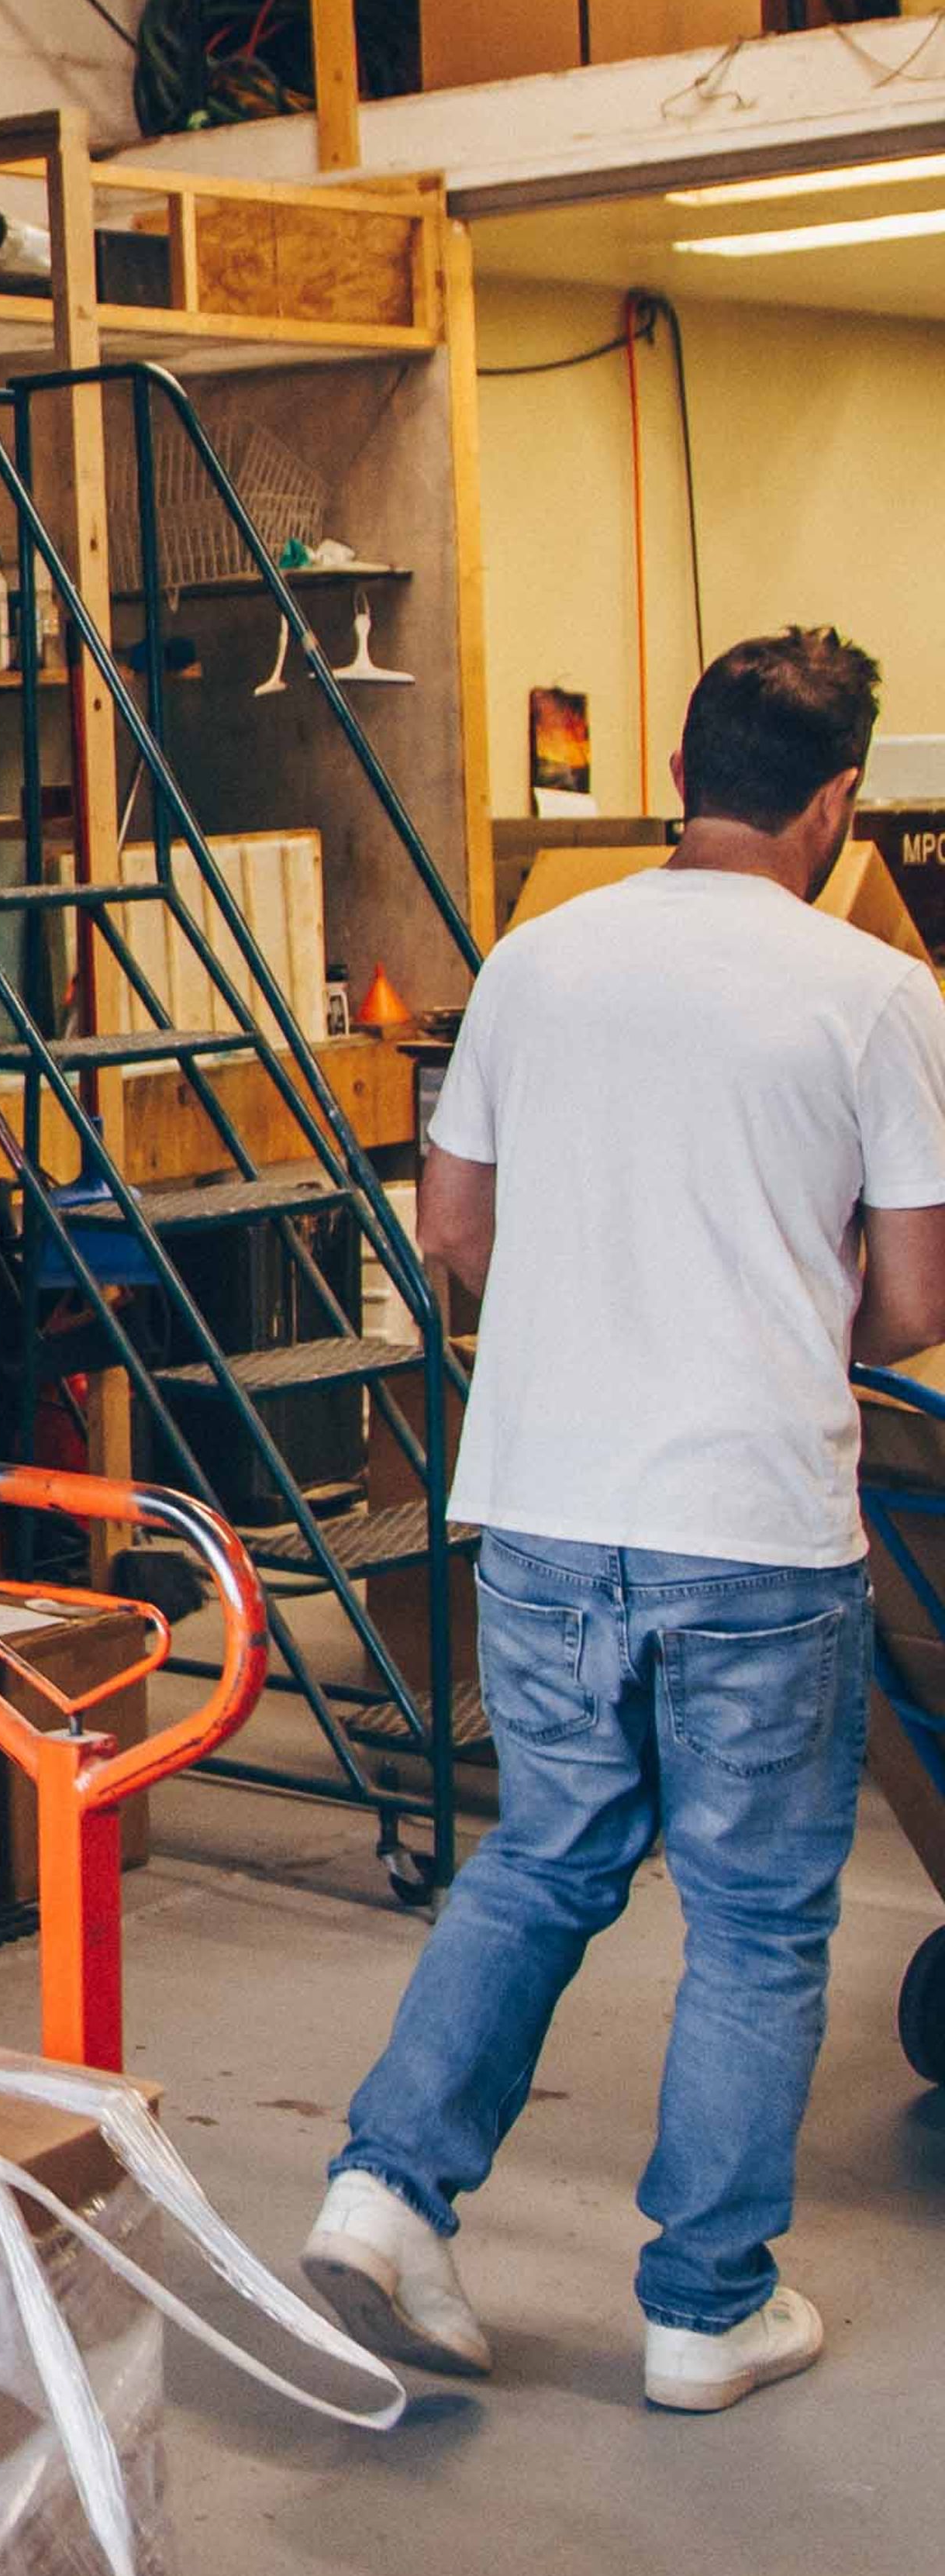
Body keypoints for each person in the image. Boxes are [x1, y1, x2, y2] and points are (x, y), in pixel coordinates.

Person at [302, 627, 945, 2415]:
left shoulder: (532, 963)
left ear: (677, 773)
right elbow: (912, 1295)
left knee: (544, 1858)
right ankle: (706, 2306)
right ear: (832, 803)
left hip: (544, 1506)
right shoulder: (878, 997)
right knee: (753, 1917)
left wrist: (599, 1321)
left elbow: (454, 1229)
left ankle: (385, 2192)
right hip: (750, 1516)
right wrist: (766, 1325)